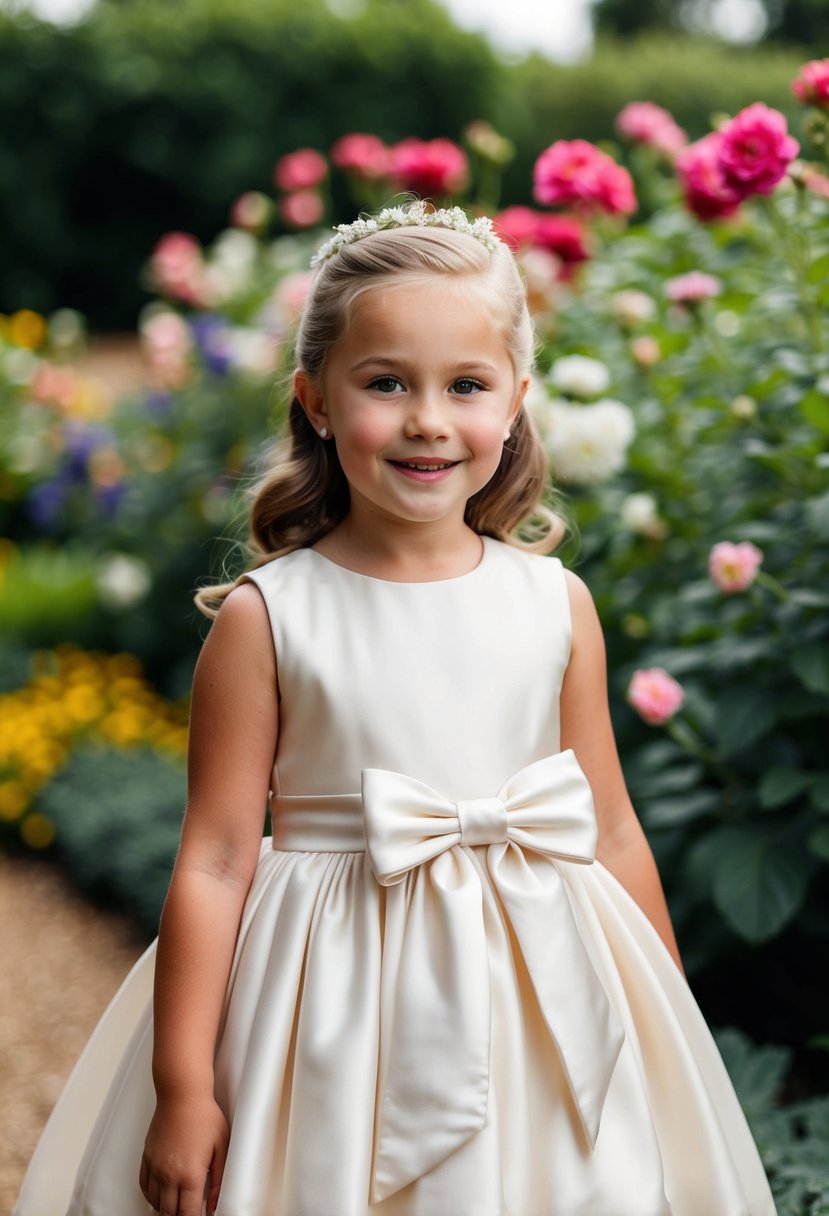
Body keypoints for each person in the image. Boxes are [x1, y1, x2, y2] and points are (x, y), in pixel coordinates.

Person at [15, 201, 776, 1216]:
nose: (427, 418)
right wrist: (185, 1085)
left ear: (515, 403)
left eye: (465, 384)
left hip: (533, 992)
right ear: (317, 401)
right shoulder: (269, 618)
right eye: (386, 383)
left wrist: (663, 1018)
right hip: (328, 1005)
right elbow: (215, 858)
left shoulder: (555, 606)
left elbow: (610, 826)